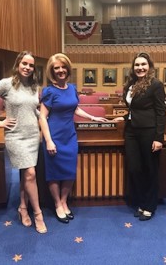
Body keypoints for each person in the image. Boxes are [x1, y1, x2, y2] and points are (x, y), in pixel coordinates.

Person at [0, 51, 47, 234]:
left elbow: (34, 110)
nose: (28, 67)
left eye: (31, 65)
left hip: (33, 135)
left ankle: (23, 208)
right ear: (18, 64)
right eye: (24, 63)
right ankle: (38, 214)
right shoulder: (5, 84)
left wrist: (47, 120)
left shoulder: (34, 86)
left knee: (27, 174)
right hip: (15, 136)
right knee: (30, 173)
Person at [39, 53, 108, 223]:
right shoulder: (49, 91)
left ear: (68, 69)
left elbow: (75, 109)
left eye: (63, 67)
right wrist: (48, 140)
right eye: (57, 68)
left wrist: (93, 117)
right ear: (52, 71)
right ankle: (57, 204)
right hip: (54, 136)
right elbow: (42, 117)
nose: (61, 70)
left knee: (69, 171)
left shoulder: (72, 88)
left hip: (69, 136)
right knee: (54, 173)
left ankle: (63, 201)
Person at [114, 52, 166, 221]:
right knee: (135, 168)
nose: (140, 68)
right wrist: (123, 117)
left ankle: (149, 206)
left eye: (143, 64)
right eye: (137, 65)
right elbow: (134, 109)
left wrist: (159, 138)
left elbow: (161, 112)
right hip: (131, 131)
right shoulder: (131, 84)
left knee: (150, 169)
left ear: (149, 66)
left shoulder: (156, 85)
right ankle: (142, 202)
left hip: (149, 132)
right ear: (133, 67)